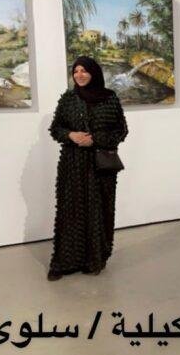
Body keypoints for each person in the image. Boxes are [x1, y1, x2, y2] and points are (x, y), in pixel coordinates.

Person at [47, 56, 128, 281]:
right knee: (70, 212)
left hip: (101, 167)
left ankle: (95, 259)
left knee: (99, 211)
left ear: (94, 72)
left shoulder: (110, 98)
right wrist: (70, 135)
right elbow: (55, 129)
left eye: (84, 70)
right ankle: (64, 262)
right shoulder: (68, 99)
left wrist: (95, 139)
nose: (79, 75)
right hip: (72, 164)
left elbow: (120, 131)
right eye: (76, 71)